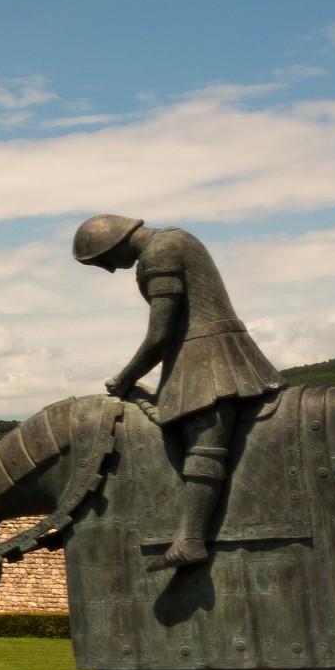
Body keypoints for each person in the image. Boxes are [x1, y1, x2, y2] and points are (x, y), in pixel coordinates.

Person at [75, 214, 285, 569]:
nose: (110, 270)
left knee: (205, 447)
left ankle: (191, 539)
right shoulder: (167, 242)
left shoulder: (161, 251)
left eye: (103, 261)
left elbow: (160, 334)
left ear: (111, 244)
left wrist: (125, 377)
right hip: (194, 354)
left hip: (208, 355)